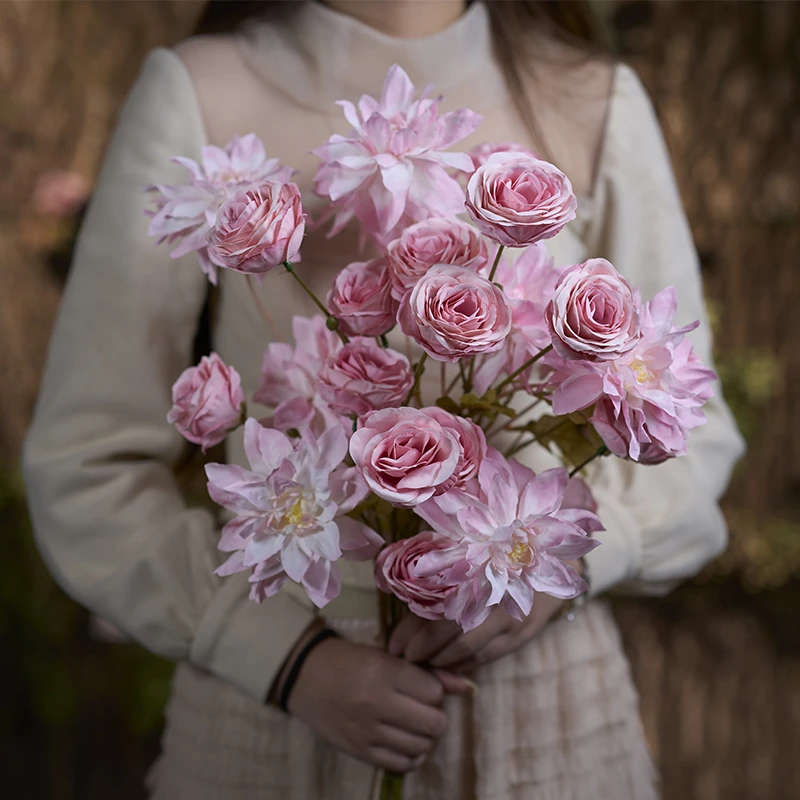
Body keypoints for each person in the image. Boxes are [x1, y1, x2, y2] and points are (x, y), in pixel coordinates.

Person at [23, 1, 746, 798]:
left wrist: (561, 569)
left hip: (546, 714)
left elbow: (693, 426)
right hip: (280, 712)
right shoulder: (198, 90)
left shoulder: (593, 97)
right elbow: (86, 466)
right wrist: (286, 659)